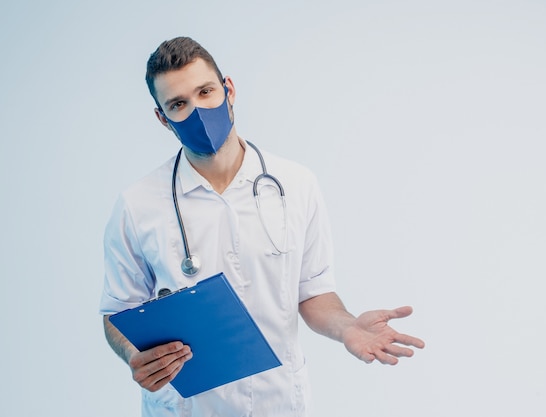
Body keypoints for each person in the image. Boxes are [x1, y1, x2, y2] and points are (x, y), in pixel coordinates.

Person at [100, 36, 425, 417]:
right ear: (162, 118)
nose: (197, 111)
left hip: (279, 401)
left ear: (229, 89)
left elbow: (313, 292)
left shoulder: (296, 184)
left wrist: (348, 326)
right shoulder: (137, 205)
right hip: (188, 407)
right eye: (178, 104)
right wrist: (134, 354)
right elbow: (118, 311)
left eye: (205, 92)